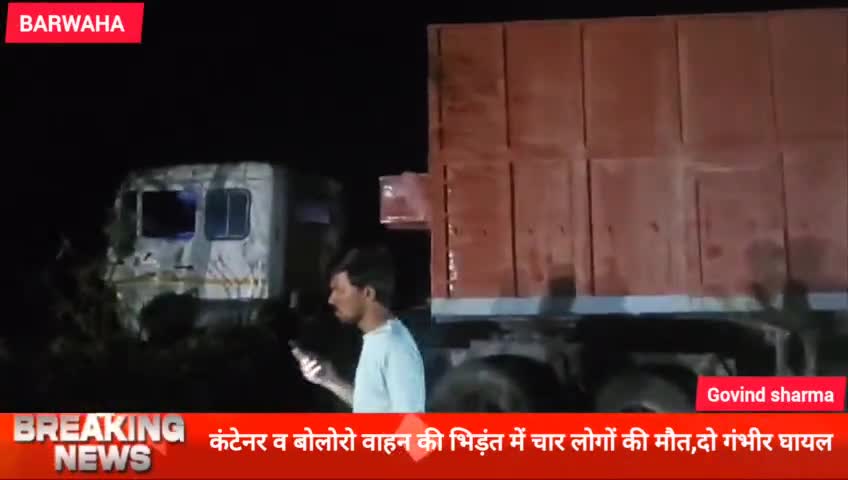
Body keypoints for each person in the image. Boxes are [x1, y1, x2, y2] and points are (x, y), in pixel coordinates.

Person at [290, 246, 426, 413]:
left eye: (340, 290)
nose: (331, 299)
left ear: (368, 293)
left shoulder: (395, 346)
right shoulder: (377, 339)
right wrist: (329, 379)